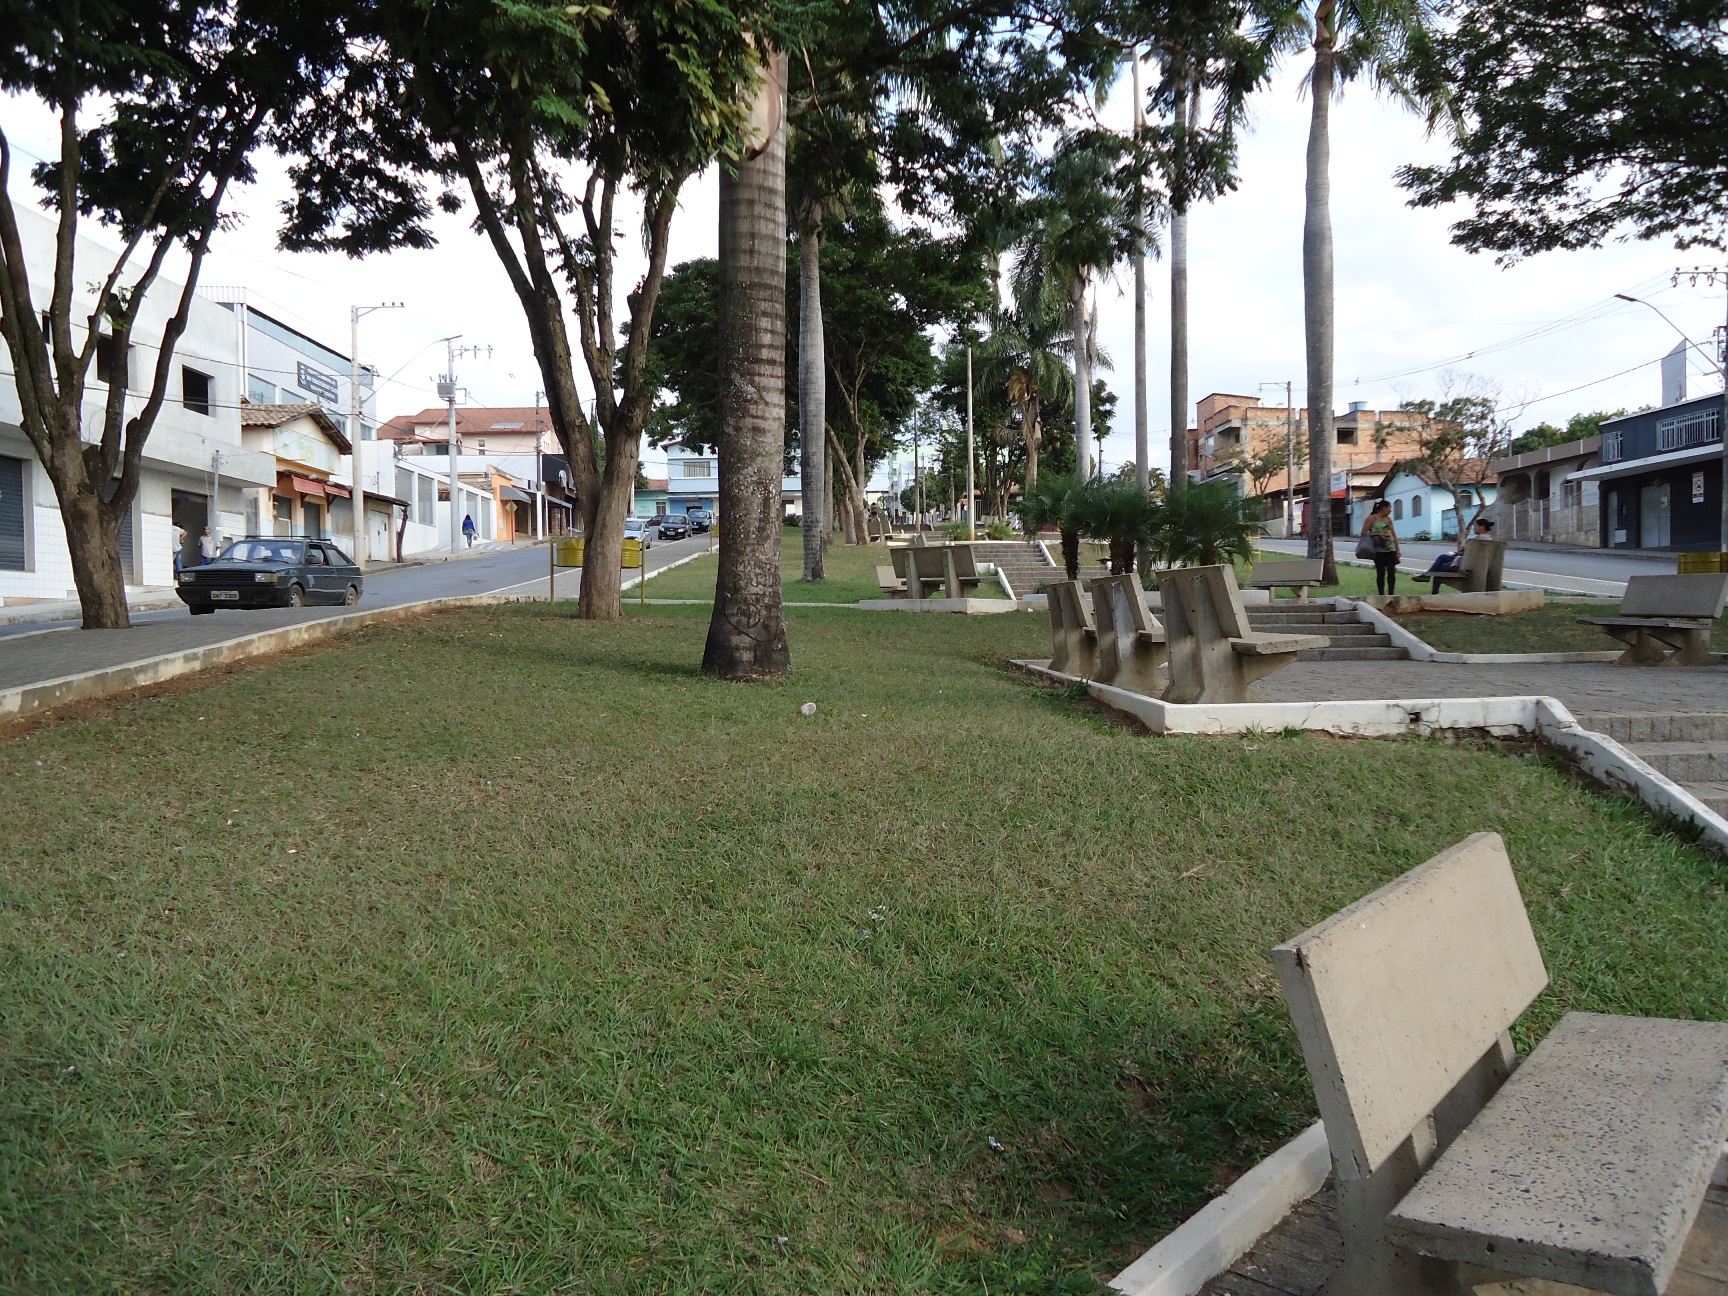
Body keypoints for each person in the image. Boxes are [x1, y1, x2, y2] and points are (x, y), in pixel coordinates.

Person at [1418, 516, 1494, 593]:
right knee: (1442, 557)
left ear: (1482, 527)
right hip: (1469, 562)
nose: (1474, 528)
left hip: (1466, 565)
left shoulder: (1478, 539)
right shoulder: (1489, 539)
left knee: (1438, 567)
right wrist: (1461, 553)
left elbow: (1470, 555)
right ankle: (1427, 577)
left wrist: (1462, 552)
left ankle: (1431, 587)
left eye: (1475, 526)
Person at [1362, 499, 1400, 595]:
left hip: (1390, 549)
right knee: (1380, 573)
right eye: (1389, 508)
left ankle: (1391, 594)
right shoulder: (1371, 519)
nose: (1390, 511)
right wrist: (1379, 534)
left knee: (1391, 572)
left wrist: (1398, 550)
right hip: (1378, 550)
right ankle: (1381, 594)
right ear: (1383, 508)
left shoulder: (1389, 520)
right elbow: (1364, 533)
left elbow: (1394, 535)